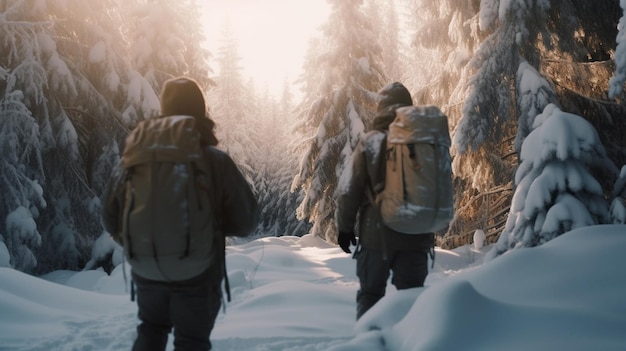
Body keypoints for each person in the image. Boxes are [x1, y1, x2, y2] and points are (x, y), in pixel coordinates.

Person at [102, 77, 258, 350]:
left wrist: (143, 240)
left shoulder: (136, 156)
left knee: (151, 330)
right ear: (200, 110)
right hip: (198, 270)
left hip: (146, 269)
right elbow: (247, 222)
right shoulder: (214, 160)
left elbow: (110, 216)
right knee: (191, 342)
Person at [335, 82, 435, 320]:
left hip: (376, 235)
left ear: (381, 108)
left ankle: (368, 343)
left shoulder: (370, 142)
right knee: (411, 300)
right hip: (415, 236)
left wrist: (345, 229)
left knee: (371, 296)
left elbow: (350, 190)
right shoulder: (425, 142)